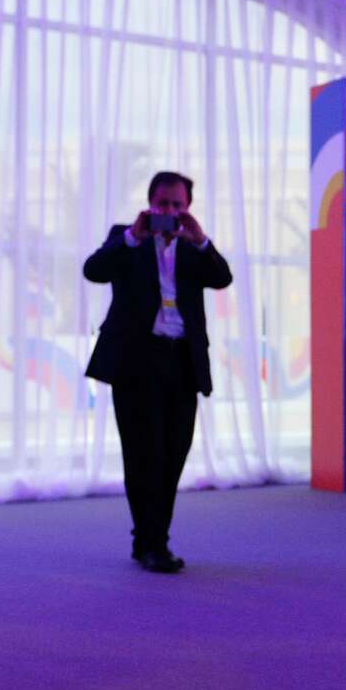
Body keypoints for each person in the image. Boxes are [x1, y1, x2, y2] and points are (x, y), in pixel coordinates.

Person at [82, 171, 234, 572]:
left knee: (173, 455)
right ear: (149, 204)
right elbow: (93, 270)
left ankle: (151, 540)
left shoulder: (193, 246)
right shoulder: (125, 237)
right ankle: (152, 543)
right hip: (136, 361)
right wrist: (134, 236)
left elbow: (223, 278)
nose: (170, 211)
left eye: (177, 205)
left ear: (188, 208)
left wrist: (201, 240)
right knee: (143, 456)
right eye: (163, 204)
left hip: (182, 361)